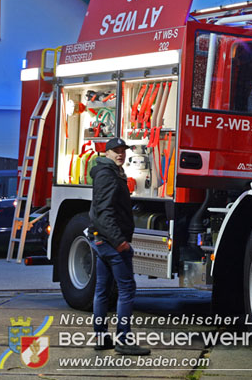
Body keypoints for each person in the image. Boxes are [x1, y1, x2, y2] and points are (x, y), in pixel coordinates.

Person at [89, 138, 150, 355]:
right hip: (111, 242)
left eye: (123, 151)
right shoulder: (107, 175)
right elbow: (104, 213)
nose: (120, 154)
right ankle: (123, 340)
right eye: (115, 151)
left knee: (102, 290)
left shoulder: (110, 172)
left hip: (102, 241)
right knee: (126, 290)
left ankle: (101, 337)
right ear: (106, 153)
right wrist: (119, 242)